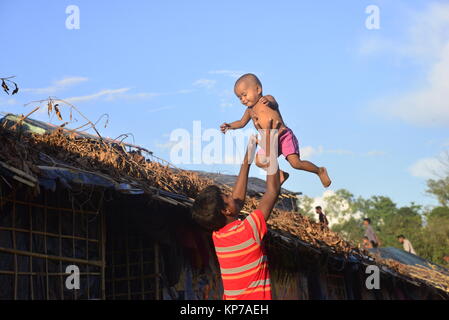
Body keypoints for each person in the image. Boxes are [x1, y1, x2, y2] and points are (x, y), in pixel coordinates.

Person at [192, 119, 282, 300]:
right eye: (227, 196)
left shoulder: (218, 237)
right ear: (225, 211)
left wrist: (249, 152)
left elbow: (237, 201)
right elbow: (272, 191)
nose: (231, 195)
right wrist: (270, 145)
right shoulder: (249, 230)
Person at [220, 73, 331, 188]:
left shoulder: (267, 98)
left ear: (258, 89)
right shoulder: (249, 111)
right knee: (259, 161)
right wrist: (230, 125)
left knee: (295, 163)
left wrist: (270, 103)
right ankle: (280, 174)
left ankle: (319, 171)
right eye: (240, 98)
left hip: (283, 136)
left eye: (244, 95)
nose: (243, 100)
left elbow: (275, 104)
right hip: (270, 140)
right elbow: (241, 123)